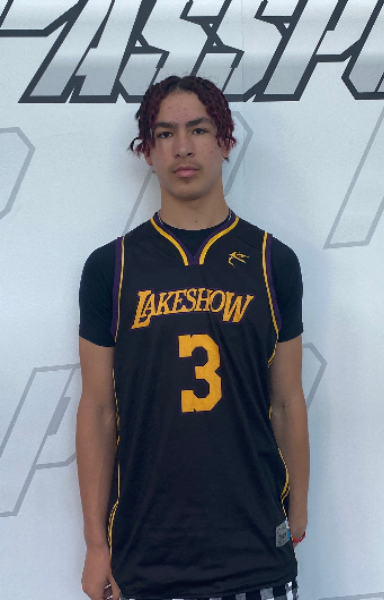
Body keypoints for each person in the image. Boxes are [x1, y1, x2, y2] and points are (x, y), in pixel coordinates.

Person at [77, 75, 309, 600]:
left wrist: (298, 508)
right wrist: (95, 544)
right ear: (147, 150)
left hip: (255, 549)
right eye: (165, 133)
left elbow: (287, 401)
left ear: (225, 141)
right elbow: (97, 411)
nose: (182, 147)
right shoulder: (111, 267)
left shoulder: (273, 261)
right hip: (145, 554)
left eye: (199, 130)